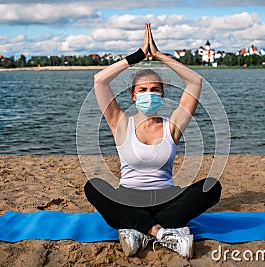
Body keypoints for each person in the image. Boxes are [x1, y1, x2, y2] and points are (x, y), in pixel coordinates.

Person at [84, 23, 221, 258]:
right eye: (143, 89)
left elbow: (195, 82)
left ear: (163, 94)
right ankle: (160, 232)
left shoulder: (173, 125)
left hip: (166, 198)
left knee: (212, 187)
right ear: (133, 95)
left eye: (155, 89)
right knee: (93, 186)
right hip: (128, 198)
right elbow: (100, 81)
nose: (149, 94)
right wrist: (138, 55)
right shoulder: (120, 122)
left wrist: (158, 55)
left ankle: (138, 230)